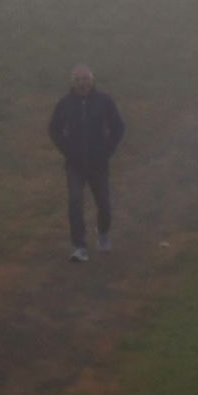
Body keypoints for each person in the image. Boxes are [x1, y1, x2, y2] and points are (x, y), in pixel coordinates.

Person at [48, 64, 125, 263]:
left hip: (98, 164)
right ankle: (79, 247)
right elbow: (54, 129)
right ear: (72, 82)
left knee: (104, 205)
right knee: (75, 202)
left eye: (86, 79)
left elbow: (118, 127)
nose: (83, 83)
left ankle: (103, 233)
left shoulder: (104, 101)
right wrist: (67, 150)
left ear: (92, 80)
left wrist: (106, 151)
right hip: (75, 165)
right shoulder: (65, 103)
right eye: (78, 79)